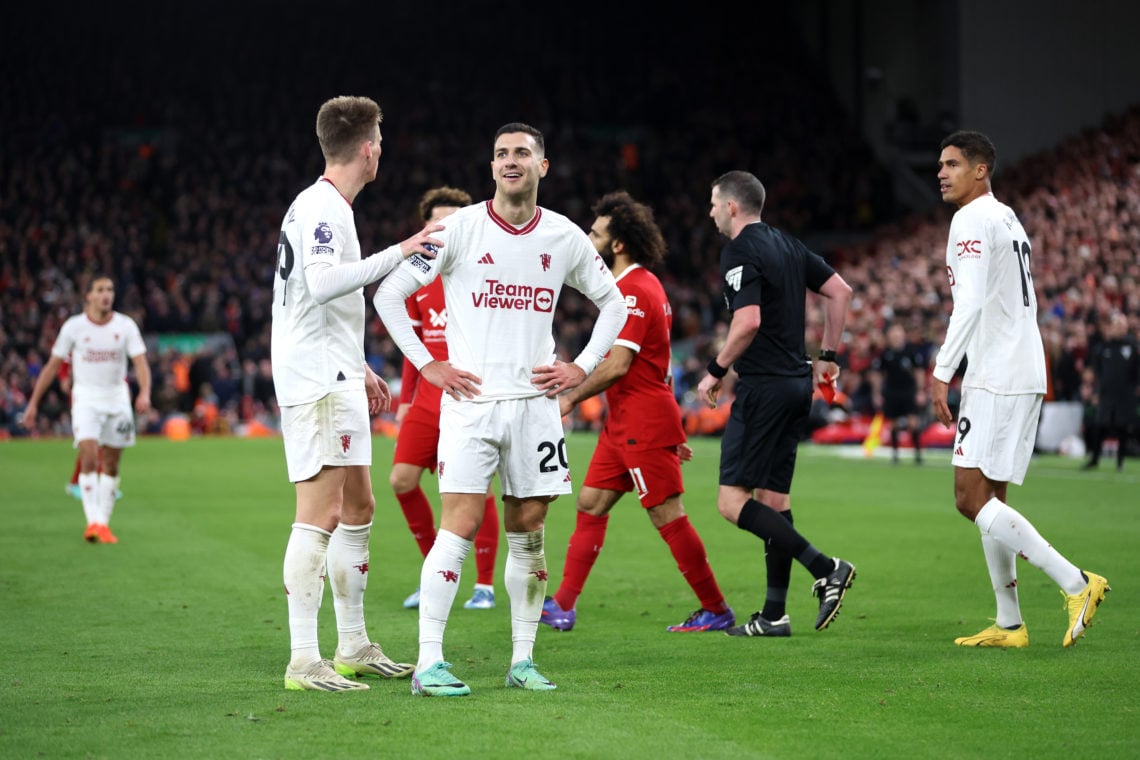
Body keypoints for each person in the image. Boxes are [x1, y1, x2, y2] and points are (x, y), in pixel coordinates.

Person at [374, 122, 627, 696]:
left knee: (529, 533)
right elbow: (388, 293)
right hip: (472, 405)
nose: (510, 161)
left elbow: (613, 302)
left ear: (543, 165)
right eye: (500, 155)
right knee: (458, 529)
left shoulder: (562, 236)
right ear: (491, 168)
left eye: (521, 153)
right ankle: (428, 662)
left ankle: (522, 661)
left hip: (536, 407)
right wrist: (429, 364)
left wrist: (581, 367)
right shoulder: (458, 229)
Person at [272, 95, 442, 692]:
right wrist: (400, 249)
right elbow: (320, 286)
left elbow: (322, 303)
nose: (382, 151)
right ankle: (302, 659)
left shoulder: (330, 208)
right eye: (381, 142)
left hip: (334, 371)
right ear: (368, 149)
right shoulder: (322, 207)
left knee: (360, 508)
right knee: (318, 516)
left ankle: (352, 645)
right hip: (316, 383)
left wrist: (360, 363)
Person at [931, 130, 1109, 648]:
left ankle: (1077, 583)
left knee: (969, 498)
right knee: (993, 497)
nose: (941, 173)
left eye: (952, 164)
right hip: (1021, 367)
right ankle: (1010, 623)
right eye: (939, 165)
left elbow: (970, 304)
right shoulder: (1007, 217)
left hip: (996, 373)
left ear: (980, 170)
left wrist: (944, 369)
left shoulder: (971, 218)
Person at [541, 191, 734, 633]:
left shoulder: (633, 290)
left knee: (667, 514)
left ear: (619, 244)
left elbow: (619, 364)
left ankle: (717, 609)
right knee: (590, 503)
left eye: (596, 234)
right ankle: (564, 605)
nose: (589, 241)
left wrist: (570, 395)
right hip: (625, 421)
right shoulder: (635, 288)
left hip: (641, 422)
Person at [697, 170, 857, 638]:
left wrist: (716, 368)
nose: (709, 212)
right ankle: (773, 615)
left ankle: (826, 567)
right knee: (775, 500)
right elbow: (840, 292)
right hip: (796, 385)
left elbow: (747, 322)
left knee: (731, 502)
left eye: (712, 203)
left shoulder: (740, 249)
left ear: (731, 206)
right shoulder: (787, 244)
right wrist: (827, 357)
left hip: (764, 386)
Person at [391, 186, 501, 611]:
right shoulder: (417, 278)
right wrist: (405, 397)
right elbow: (413, 340)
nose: (445, 229)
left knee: (476, 489)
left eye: (454, 222)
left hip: (470, 393)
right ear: (425, 227)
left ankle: (485, 585)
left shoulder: (482, 271)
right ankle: (436, 572)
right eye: (438, 222)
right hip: (427, 397)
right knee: (401, 480)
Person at [23, 274, 151, 544]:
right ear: (89, 296)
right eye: (101, 289)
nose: (107, 294)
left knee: (112, 464)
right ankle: (92, 522)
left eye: (110, 289)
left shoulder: (125, 326)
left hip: (117, 400)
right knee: (90, 455)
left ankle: (103, 523)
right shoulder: (74, 327)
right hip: (86, 400)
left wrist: (145, 393)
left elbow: (140, 363)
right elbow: (52, 366)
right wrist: (34, 403)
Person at [1082, 311, 1138, 471]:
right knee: (1100, 426)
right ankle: (1094, 459)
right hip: (1106, 394)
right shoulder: (1102, 348)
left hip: (1125, 395)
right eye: (1116, 325)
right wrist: (1096, 391)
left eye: (1122, 324)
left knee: (1123, 428)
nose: (1119, 328)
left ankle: (1120, 461)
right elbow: (1097, 372)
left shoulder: (1132, 346)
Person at [870, 323, 928, 464]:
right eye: (893, 333)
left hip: (908, 391)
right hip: (892, 392)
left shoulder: (911, 351)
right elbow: (877, 374)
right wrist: (877, 393)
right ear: (889, 336)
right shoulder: (885, 353)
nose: (896, 336)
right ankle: (895, 455)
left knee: (913, 423)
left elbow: (919, 372)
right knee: (894, 424)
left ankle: (918, 454)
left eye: (898, 332)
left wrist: (920, 391)